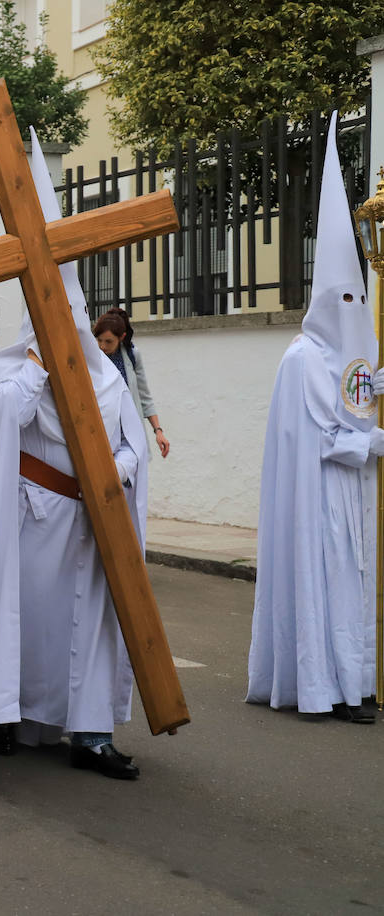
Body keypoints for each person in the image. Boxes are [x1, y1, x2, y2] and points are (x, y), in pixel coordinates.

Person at [0, 137, 148, 781]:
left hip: (92, 518)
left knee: (89, 626)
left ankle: (90, 733)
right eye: (52, 318)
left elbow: (133, 446)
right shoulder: (18, 371)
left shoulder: (108, 380)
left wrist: (113, 475)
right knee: (29, 619)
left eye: (70, 318)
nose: (65, 328)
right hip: (33, 517)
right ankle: (8, 713)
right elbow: (5, 416)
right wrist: (42, 366)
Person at [247, 115, 379, 725]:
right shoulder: (302, 358)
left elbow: (358, 401)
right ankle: (329, 685)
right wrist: (374, 440)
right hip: (321, 497)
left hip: (356, 492)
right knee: (329, 587)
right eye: (342, 300)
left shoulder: (358, 352)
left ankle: (359, 681)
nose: (351, 309)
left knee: (357, 588)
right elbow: (327, 436)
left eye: (359, 298)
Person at [92, 309, 171, 459]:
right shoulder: (91, 357)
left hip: (128, 434)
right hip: (101, 432)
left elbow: (144, 396)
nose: (102, 346)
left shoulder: (132, 355)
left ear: (121, 337)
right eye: (99, 340)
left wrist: (158, 431)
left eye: (108, 341)